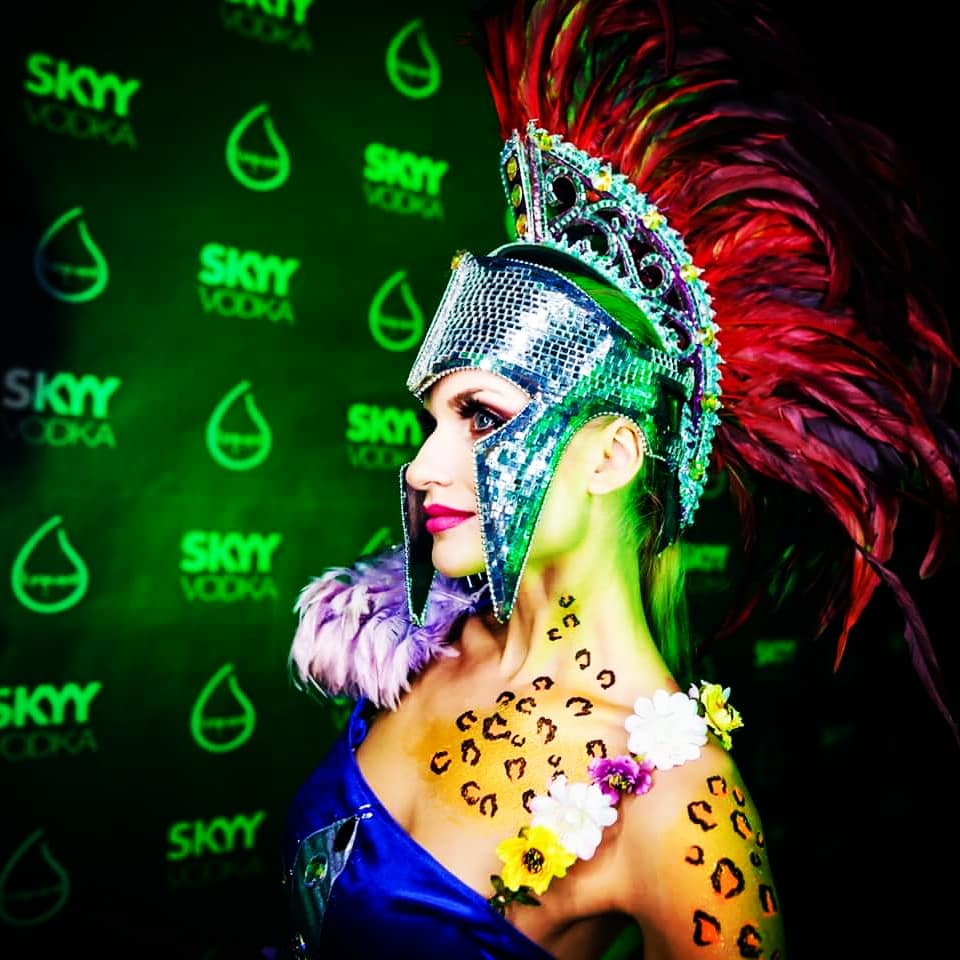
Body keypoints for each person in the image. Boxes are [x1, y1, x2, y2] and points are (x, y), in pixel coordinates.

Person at [280, 1, 958, 958]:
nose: (425, 465)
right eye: (431, 419)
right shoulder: (408, 648)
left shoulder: (680, 801)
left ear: (610, 455)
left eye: (481, 417)